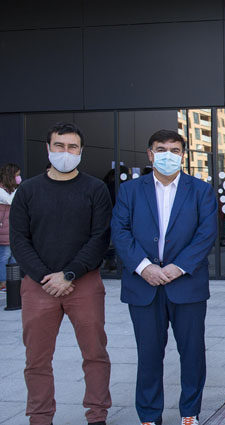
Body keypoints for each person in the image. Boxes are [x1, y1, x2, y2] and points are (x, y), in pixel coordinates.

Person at [112, 129, 217, 425]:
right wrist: (144, 267)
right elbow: (120, 231)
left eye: (174, 150)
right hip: (143, 286)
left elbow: (206, 233)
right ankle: (149, 415)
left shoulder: (200, 190)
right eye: (161, 149)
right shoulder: (131, 191)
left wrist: (179, 267)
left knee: (192, 353)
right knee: (148, 355)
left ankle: (189, 412)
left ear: (183, 155)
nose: (168, 155)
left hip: (186, 284)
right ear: (149, 154)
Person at [9, 122, 112, 425]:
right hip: (38, 285)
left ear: (81, 151)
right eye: (59, 146)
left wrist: (68, 274)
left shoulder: (95, 189)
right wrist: (45, 276)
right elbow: (19, 239)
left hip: (84, 283)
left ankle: (97, 416)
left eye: (72, 147)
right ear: (48, 148)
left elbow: (100, 238)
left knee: (95, 354)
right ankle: (40, 417)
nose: (65, 153)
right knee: (37, 359)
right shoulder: (28, 190)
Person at [0, 163, 21, 292]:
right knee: (4, 257)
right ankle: (3, 283)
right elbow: (11, 200)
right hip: (3, 231)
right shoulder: (2, 191)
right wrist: (18, 189)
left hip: (12, 231)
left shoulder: (12, 190)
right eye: (17, 175)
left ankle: (13, 282)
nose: (19, 178)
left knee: (14, 257)